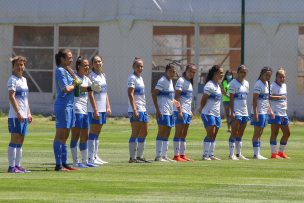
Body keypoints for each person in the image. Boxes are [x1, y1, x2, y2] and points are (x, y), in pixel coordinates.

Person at [70, 56, 101, 168]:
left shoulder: (87, 79)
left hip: (85, 110)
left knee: (84, 136)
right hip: (76, 109)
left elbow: (91, 95)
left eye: (88, 65)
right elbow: (77, 93)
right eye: (85, 65)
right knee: (75, 135)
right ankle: (75, 161)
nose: (87, 67)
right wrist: (90, 88)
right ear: (78, 66)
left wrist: (95, 110)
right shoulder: (74, 78)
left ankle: (84, 161)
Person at [53, 49, 81, 171]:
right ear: (62, 59)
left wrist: (91, 88)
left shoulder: (68, 71)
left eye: (71, 57)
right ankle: (58, 164)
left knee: (66, 135)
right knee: (60, 134)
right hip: (63, 106)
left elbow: (75, 87)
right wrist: (76, 84)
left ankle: (64, 163)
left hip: (70, 106)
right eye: (69, 57)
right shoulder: (59, 70)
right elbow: (65, 89)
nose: (71, 59)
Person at [7, 56, 32, 173]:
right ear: (13, 67)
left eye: (22, 65)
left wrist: (29, 113)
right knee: (14, 139)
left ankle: (18, 165)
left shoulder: (24, 80)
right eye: (17, 65)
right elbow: (11, 97)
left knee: (21, 140)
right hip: (15, 116)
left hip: (24, 116)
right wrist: (18, 113)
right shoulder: (12, 80)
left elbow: (26, 99)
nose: (20, 67)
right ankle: (11, 167)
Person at [87, 55, 111, 165]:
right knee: (93, 132)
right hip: (94, 109)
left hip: (102, 109)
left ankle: (95, 156)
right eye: (96, 62)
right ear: (92, 64)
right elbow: (90, 94)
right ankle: (90, 157)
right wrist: (95, 109)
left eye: (100, 61)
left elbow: (105, 93)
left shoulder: (103, 75)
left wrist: (108, 106)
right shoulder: (91, 76)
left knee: (98, 133)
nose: (98, 63)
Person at [127, 57, 151, 163]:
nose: (140, 68)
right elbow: (130, 93)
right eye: (138, 66)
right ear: (133, 66)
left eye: (141, 66)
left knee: (144, 132)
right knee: (135, 132)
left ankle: (139, 156)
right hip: (136, 109)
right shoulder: (132, 78)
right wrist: (134, 109)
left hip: (143, 108)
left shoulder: (140, 78)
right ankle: (132, 158)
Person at [152, 64, 176, 162]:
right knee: (161, 132)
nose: (172, 73)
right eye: (170, 71)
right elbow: (154, 94)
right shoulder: (162, 81)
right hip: (163, 110)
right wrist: (157, 109)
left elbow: (170, 98)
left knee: (167, 132)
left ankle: (164, 155)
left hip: (170, 111)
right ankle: (158, 156)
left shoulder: (170, 81)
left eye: (174, 71)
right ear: (166, 71)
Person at [172, 63, 197, 162]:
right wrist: (179, 111)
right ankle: (176, 155)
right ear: (186, 70)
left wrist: (189, 110)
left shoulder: (189, 83)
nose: (192, 73)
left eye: (194, 72)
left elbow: (187, 99)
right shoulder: (181, 81)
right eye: (190, 71)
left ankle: (182, 155)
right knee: (178, 133)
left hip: (187, 111)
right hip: (180, 111)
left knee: (184, 133)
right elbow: (176, 98)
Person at [200, 65, 224, 161]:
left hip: (216, 113)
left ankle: (211, 154)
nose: (222, 74)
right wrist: (203, 110)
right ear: (215, 73)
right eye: (220, 73)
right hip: (208, 112)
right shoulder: (209, 85)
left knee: (214, 134)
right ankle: (205, 155)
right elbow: (203, 100)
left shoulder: (217, 85)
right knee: (210, 133)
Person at [251, 66, 274, 159]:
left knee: (260, 133)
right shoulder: (258, 84)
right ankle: (256, 154)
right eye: (266, 75)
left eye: (269, 75)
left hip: (264, 112)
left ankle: (258, 153)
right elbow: (254, 100)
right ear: (262, 74)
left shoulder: (267, 84)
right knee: (257, 133)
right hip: (259, 112)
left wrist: (270, 110)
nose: (268, 77)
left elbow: (266, 99)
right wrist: (256, 113)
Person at [228, 65, 250, 160]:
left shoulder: (247, 83)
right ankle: (231, 154)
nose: (243, 74)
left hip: (244, 111)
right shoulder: (233, 83)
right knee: (234, 132)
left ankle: (238, 154)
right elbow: (231, 99)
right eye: (242, 72)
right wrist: (232, 112)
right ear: (238, 72)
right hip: (236, 111)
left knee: (240, 133)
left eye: (245, 72)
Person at [268, 68, 290, 159]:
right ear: (276, 77)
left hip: (283, 112)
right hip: (275, 112)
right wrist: (279, 97)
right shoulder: (272, 86)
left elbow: (285, 97)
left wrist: (286, 106)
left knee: (287, 133)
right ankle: (274, 153)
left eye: (283, 77)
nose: (282, 79)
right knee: (275, 132)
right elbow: (268, 97)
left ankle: (281, 152)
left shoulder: (284, 85)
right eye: (280, 77)